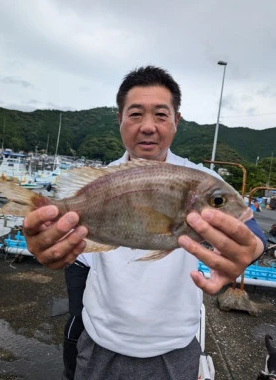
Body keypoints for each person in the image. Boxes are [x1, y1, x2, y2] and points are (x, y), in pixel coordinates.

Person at [23, 66, 266, 380]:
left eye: (161, 115)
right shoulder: (98, 181)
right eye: (135, 114)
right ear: (120, 120)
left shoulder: (204, 182)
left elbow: (250, 231)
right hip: (100, 342)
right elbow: (72, 256)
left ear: (176, 121)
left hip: (174, 346)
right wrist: (46, 247)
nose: (148, 127)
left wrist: (251, 249)